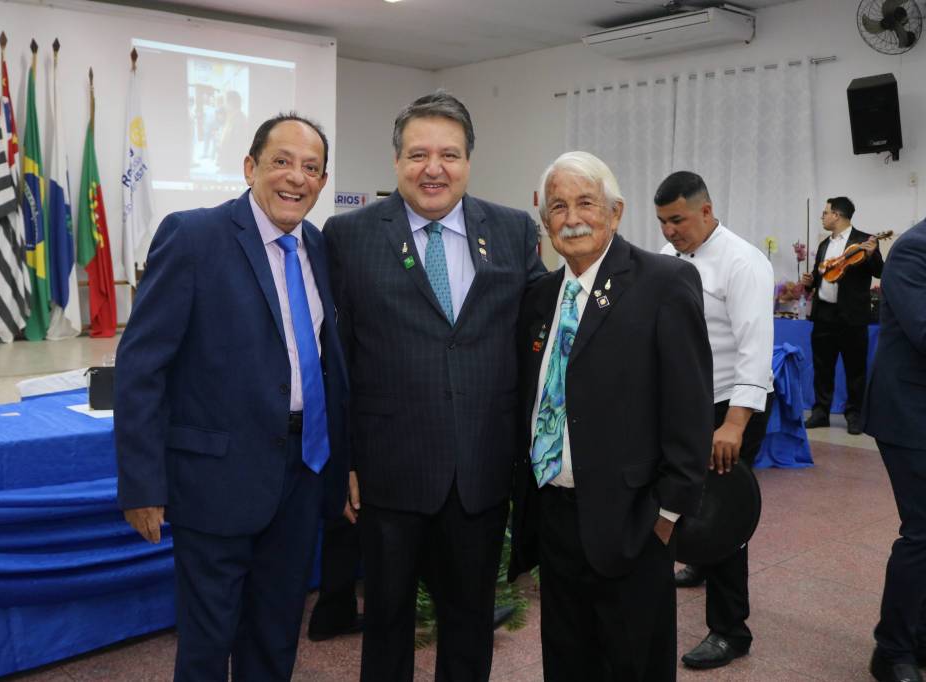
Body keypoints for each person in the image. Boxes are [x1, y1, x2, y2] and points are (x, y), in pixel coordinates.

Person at [114, 114, 349, 681]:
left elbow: (328, 363)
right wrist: (142, 484)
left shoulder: (318, 246)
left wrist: (342, 465)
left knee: (276, 633)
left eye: (311, 168)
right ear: (250, 167)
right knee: (207, 642)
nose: (296, 177)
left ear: (322, 183)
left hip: (303, 473)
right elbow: (142, 367)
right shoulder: (193, 237)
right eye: (281, 161)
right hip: (215, 481)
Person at [323, 90, 545, 682]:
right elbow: (336, 360)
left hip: (480, 470)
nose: (434, 168)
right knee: (387, 623)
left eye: (449, 154)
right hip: (388, 473)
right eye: (418, 154)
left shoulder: (513, 230)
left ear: (469, 161)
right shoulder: (348, 236)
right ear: (397, 161)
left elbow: (543, 330)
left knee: (470, 624)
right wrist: (344, 460)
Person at [508, 151, 712, 681]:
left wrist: (667, 516)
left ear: (615, 212)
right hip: (555, 516)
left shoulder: (664, 283)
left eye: (586, 203)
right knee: (567, 661)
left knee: (632, 665)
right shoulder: (539, 297)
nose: (572, 218)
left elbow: (690, 410)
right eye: (558, 207)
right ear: (544, 221)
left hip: (634, 521)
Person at [654, 171, 775, 670]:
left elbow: (755, 350)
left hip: (729, 406)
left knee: (723, 514)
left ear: (705, 211)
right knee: (688, 499)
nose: (669, 231)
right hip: (688, 404)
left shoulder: (743, 262)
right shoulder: (668, 257)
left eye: (677, 220)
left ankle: (730, 630)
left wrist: (735, 425)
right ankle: (700, 562)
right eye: (662, 222)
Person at [863, 218, 926, 682]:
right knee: (923, 531)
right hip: (909, 410)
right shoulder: (912, 251)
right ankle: (892, 651)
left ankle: (918, 635)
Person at [800, 197, 883, 435]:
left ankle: (854, 415)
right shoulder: (824, 244)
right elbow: (822, 276)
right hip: (824, 314)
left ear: (836, 215)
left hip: (852, 317)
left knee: (855, 369)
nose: (823, 217)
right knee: (822, 367)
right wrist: (810, 282)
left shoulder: (864, 241)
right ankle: (821, 412)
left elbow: (879, 271)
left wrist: (872, 254)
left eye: (825, 213)